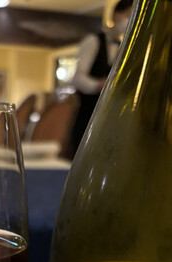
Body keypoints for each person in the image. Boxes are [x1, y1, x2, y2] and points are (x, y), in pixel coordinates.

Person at [69, 0, 133, 156]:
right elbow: (77, 78)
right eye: (128, 15)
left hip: (111, 121)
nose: (130, 20)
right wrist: (99, 85)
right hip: (87, 117)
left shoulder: (125, 46)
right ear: (116, 16)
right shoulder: (93, 41)